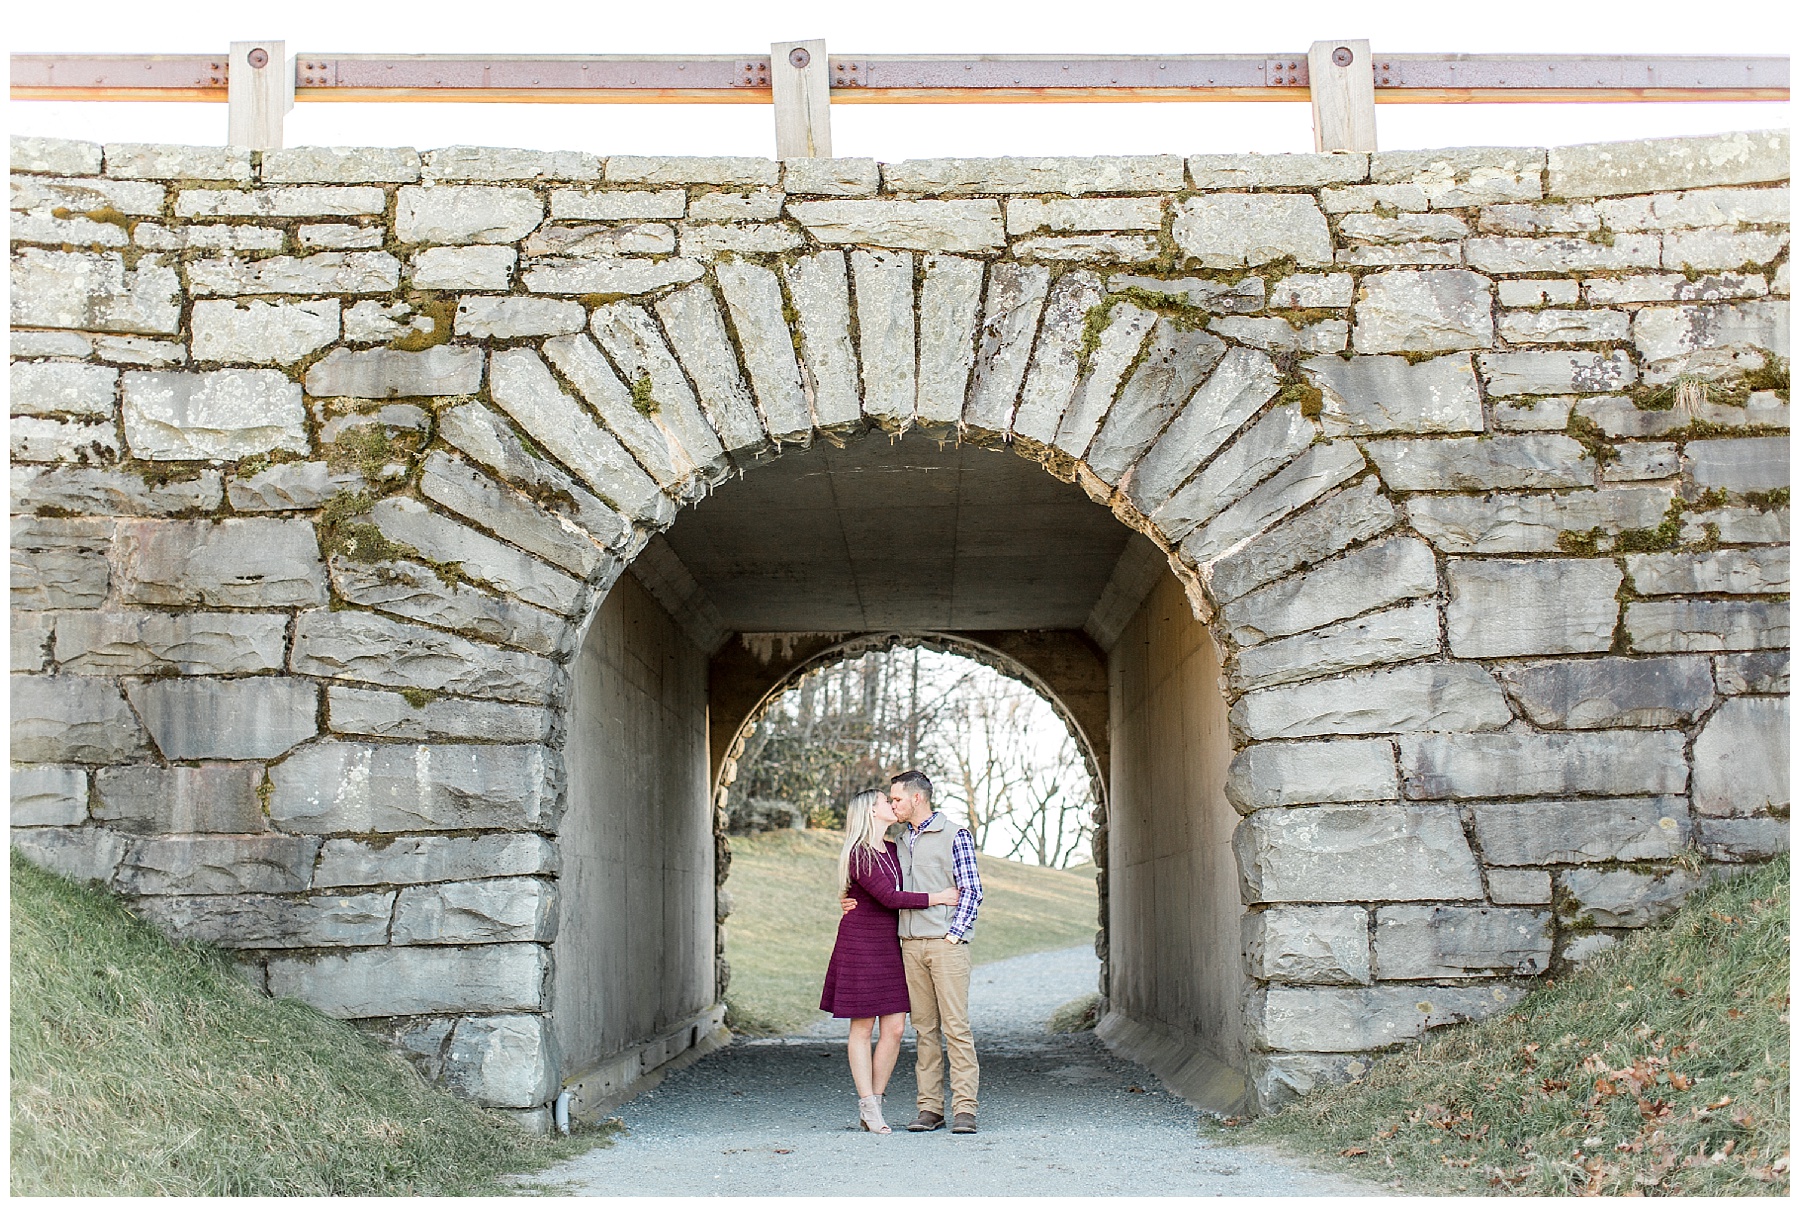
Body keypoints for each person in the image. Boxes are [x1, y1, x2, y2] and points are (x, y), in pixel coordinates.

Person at [819, 787, 962, 1135]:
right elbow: (888, 896)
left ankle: (876, 1103)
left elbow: (903, 882)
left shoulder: (894, 848)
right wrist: (938, 897)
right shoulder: (859, 852)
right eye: (886, 801)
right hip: (861, 944)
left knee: (895, 1028)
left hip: (891, 944)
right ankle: (868, 1104)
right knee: (863, 1027)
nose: (892, 804)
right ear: (871, 811)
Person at [889, 769, 984, 1135]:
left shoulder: (954, 834)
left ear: (918, 798)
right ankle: (929, 1108)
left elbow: (972, 890)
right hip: (910, 947)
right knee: (924, 1030)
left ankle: (964, 1110)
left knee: (956, 1028)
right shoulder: (898, 841)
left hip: (946, 946)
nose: (893, 804)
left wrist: (953, 936)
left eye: (897, 798)